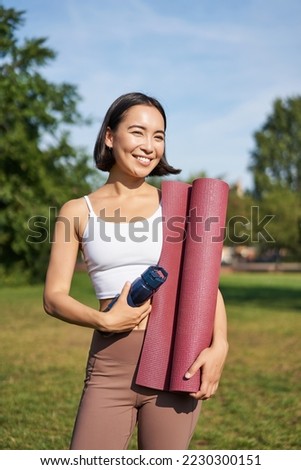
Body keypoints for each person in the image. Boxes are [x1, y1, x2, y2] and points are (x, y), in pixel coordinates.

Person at [43, 92, 229, 450]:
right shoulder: (76, 211)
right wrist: (105, 322)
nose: (149, 145)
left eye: (158, 136)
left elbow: (205, 283)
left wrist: (219, 343)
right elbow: (53, 298)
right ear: (110, 137)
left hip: (178, 356)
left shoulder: (177, 204)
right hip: (111, 362)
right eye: (138, 132)